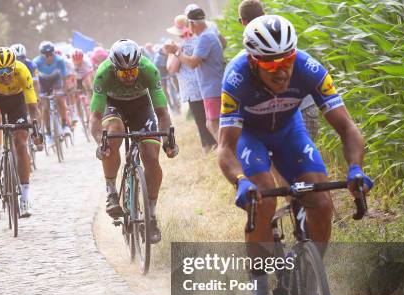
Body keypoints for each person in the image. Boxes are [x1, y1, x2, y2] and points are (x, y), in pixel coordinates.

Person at [216, 16, 373, 295]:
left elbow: (347, 128)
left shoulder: (309, 68)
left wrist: (355, 168)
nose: (283, 70)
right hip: (251, 136)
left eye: (287, 60)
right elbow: (225, 148)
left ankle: (311, 292)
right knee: (263, 197)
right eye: (272, 66)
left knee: (321, 201)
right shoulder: (235, 78)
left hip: (290, 131)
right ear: (253, 61)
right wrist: (240, 181)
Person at [90, 39, 178, 244]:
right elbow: (94, 117)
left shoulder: (149, 70)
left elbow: (162, 113)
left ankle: (151, 216)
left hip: (141, 107)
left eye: (132, 72)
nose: (129, 77)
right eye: (123, 73)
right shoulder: (103, 74)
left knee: (151, 156)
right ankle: (111, 192)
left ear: (139, 65)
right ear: (114, 69)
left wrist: (167, 142)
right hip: (113, 106)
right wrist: (99, 142)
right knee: (114, 133)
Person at [237, 0, 320, 139]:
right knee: (303, 155)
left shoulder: (250, 56)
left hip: (282, 116)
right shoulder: (282, 33)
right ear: (265, 13)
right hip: (307, 106)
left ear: (243, 22)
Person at [0, 46, 41, 217]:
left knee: (21, 142)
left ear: (14, 66)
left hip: (17, 103)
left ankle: (25, 197)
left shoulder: (22, 70)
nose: (5, 75)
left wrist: (36, 128)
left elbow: (33, 106)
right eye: (0, 71)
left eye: (8, 70)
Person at [164, 5, 226, 143]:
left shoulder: (205, 38)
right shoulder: (210, 34)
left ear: (191, 24)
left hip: (212, 88)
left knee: (213, 124)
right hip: (214, 85)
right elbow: (224, 43)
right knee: (214, 124)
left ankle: (227, 150)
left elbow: (192, 63)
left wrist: (176, 51)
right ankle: (228, 148)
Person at [33, 41, 72, 144]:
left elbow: (64, 77)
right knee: (45, 108)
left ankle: (65, 125)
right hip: (43, 83)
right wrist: (37, 96)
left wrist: (65, 90)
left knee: (60, 99)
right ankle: (49, 134)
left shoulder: (59, 60)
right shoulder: (36, 62)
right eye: (46, 55)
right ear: (42, 55)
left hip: (56, 81)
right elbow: (35, 82)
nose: (49, 57)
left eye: (51, 54)